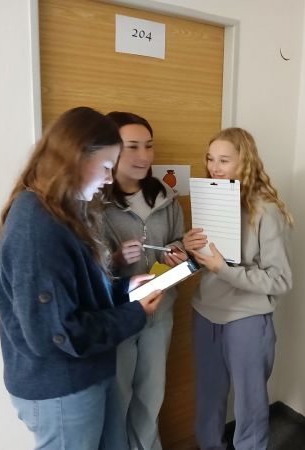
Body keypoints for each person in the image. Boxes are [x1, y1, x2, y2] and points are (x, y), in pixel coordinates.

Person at [0, 106, 163, 450]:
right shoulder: (36, 225)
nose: (110, 179)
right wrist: (135, 312)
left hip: (89, 373)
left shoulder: (63, 213)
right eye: (106, 166)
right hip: (61, 385)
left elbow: (75, 296)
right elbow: (60, 333)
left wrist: (123, 289)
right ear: (74, 158)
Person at [182, 127, 293, 450]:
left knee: (250, 405)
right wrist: (189, 249)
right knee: (207, 398)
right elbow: (208, 261)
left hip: (247, 318)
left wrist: (225, 271)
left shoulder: (266, 210)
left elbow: (280, 280)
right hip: (205, 313)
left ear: (245, 161)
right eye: (210, 159)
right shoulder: (210, 200)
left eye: (224, 160)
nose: (214, 167)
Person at [101, 111, 187, 450]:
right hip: (118, 317)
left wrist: (177, 252)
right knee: (117, 402)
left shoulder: (166, 196)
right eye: (132, 146)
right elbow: (88, 270)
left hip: (160, 313)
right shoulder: (96, 200)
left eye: (148, 146)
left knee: (151, 400)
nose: (144, 155)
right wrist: (117, 259)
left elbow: (179, 239)